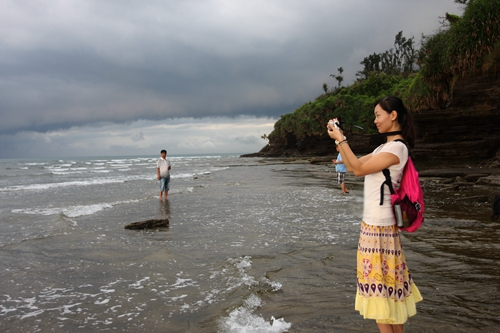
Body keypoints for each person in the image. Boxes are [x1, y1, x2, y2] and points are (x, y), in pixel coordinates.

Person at [327, 96, 422, 333]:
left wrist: (342, 138)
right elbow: (351, 165)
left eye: (378, 115)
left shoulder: (397, 147)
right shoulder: (383, 147)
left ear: (393, 115)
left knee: (382, 300)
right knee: (387, 299)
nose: (375, 120)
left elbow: (358, 170)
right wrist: (339, 140)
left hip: (379, 229)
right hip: (374, 227)